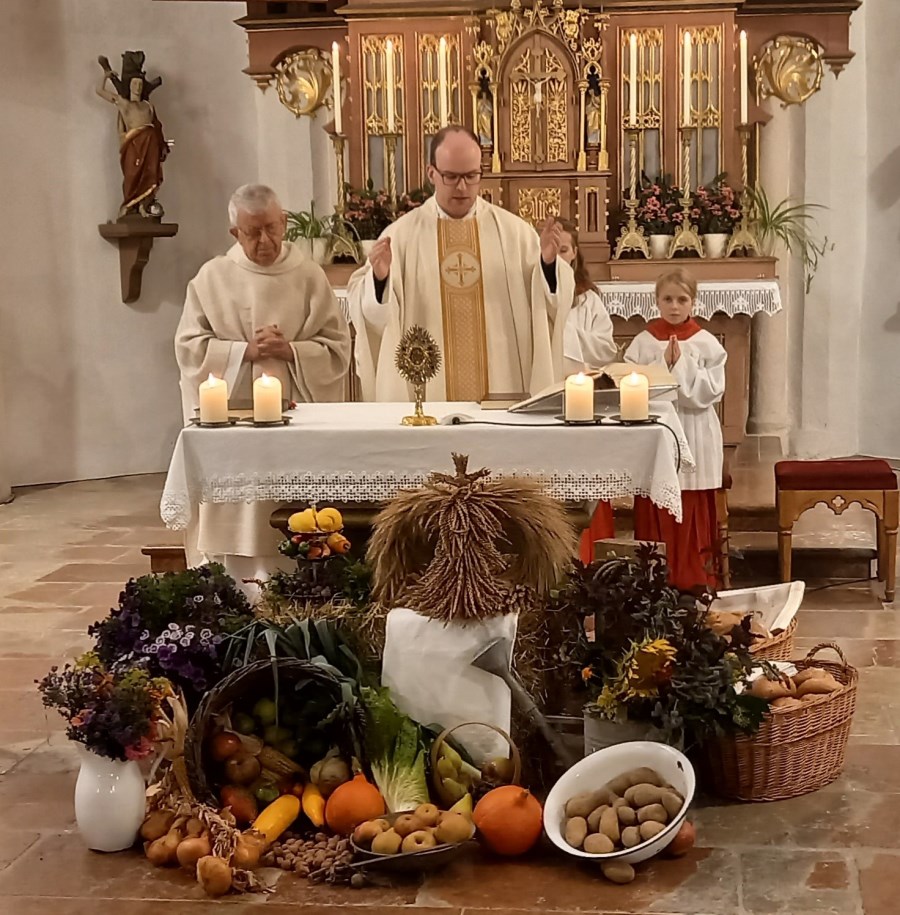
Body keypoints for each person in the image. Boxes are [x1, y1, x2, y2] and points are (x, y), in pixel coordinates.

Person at [174, 184, 351, 586]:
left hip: (297, 420)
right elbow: (188, 348)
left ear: (285, 221)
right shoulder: (212, 278)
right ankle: (232, 586)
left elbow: (338, 346)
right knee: (240, 511)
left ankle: (302, 580)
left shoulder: (308, 276)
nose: (264, 240)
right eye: (252, 232)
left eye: (271, 228)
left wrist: (292, 351)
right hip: (238, 425)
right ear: (235, 232)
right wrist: (242, 352)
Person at [347, 125, 574, 402]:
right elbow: (371, 315)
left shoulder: (515, 234)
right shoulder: (401, 237)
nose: (463, 187)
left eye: (471, 176)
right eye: (451, 177)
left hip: (503, 390)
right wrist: (380, 280)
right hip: (428, 399)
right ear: (432, 173)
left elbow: (551, 304)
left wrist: (548, 266)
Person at [625, 268, 726, 592]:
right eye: (667, 299)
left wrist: (680, 365)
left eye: (682, 299)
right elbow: (632, 386)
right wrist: (663, 366)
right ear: (657, 301)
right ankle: (655, 580)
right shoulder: (643, 341)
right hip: (657, 431)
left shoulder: (707, 343)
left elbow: (709, 392)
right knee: (658, 501)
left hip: (695, 430)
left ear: (693, 302)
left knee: (691, 502)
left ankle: (696, 578)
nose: (674, 306)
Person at [556, 218, 618, 563]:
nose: (559, 255)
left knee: (588, 472)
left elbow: (604, 348)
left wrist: (568, 332)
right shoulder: (529, 291)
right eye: (551, 249)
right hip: (544, 394)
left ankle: (592, 555)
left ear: (574, 253)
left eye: (564, 249)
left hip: (582, 397)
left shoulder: (588, 299)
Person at [96, 72, 168, 216]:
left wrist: (163, 145)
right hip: (133, 144)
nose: (138, 87)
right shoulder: (125, 104)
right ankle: (128, 204)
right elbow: (99, 91)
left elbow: (157, 126)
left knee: (150, 174)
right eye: (135, 83)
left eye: (141, 84)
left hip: (151, 143)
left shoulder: (148, 105)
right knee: (132, 174)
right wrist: (105, 76)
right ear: (129, 86)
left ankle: (144, 205)